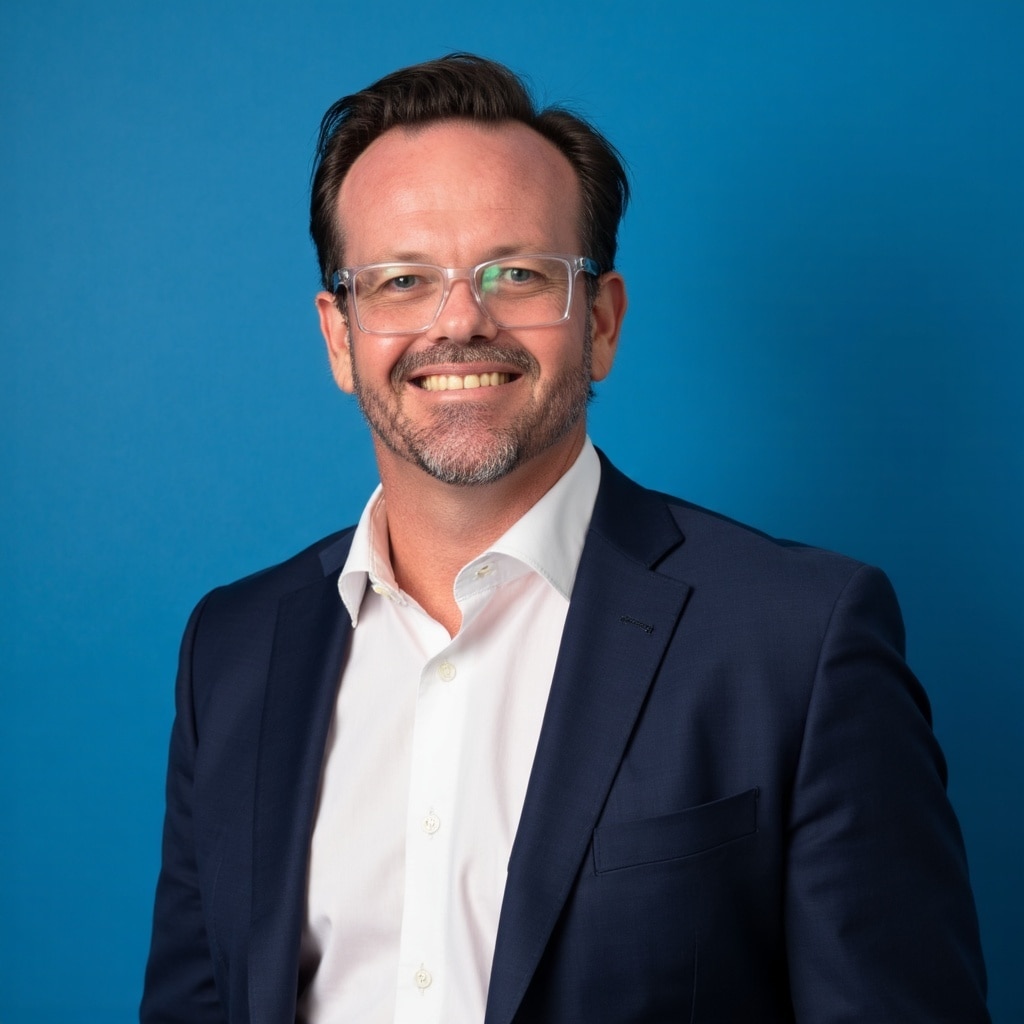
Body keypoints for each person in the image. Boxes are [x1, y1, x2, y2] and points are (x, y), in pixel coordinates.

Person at [140, 53, 989, 1023]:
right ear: (340, 336)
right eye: (403, 279)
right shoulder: (235, 650)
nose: (459, 320)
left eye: (517, 272)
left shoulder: (801, 643)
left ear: (601, 323)